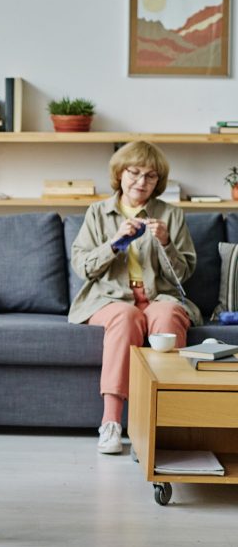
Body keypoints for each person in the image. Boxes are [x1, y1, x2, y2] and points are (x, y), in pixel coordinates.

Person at [69, 141, 198, 454]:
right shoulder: (98, 212)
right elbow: (83, 267)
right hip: (109, 299)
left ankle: (165, 423)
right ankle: (111, 423)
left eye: (151, 176)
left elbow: (184, 275)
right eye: (134, 172)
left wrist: (166, 243)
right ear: (120, 173)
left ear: (159, 182)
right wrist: (114, 243)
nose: (142, 182)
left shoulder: (171, 215)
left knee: (167, 316)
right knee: (127, 317)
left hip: (159, 297)